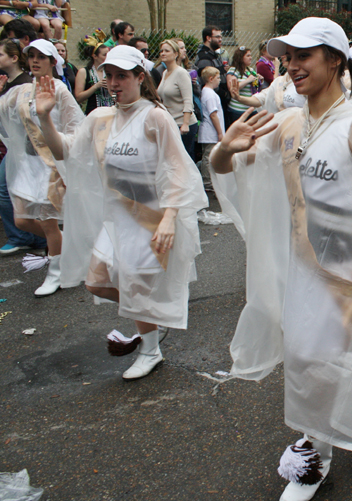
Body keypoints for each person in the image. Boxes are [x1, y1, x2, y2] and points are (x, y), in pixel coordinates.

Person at [209, 17, 352, 501]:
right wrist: (224, 150)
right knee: (315, 357)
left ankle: (313, 458)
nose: (292, 65)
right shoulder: (287, 123)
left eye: (303, 56)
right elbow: (228, 169)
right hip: (300, 268)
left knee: (320, 359)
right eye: (287, 57)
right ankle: (350, 429)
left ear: (335, 61)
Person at [34, 45, 207, 379]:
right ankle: (151, 323)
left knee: (136, 287)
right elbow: (66, 153)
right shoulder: (100, 119)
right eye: (108, 75)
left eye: (122, 76)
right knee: (96, 283)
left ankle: (150, 348)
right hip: (116, 218)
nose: (113, 83)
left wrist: (170, 217)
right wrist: (44, 117)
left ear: (140, 77)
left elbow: (178, 169)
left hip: (150, 219)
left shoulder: (154, 116)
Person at [0, 39, 83, 295]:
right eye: (32, 55)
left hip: (51, 165)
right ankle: (68, 243)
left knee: (47, 222)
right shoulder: (22, 90)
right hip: (29, 165)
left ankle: (57, 272)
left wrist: (65, 154)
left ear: (52, 61)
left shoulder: (59, 89)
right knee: (22, 219)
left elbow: (76, 127)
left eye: (41, 57)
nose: (35, 60)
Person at [0, 37, 45, 255]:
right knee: (16, 197)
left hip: (29, 150)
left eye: (1, 54)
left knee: (9, 192)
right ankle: (35, 237)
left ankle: (30, 238)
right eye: (33, 57)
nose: (35, 61)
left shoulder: (26, 84)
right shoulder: (9, 83)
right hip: (15, 147)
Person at [157, 39, 198, 159]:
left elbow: (188, 100)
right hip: (171, 122)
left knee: (183, 159)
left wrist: (185, 124)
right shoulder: (165, 73)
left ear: (175, 54)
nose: (163, 53)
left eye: (167, 51)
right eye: (161, 51)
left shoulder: (181, 73)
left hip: (183, 125)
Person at [195, 25, 230, 125]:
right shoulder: (204, 58)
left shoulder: (214, 55)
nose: (220, 40)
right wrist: (225, 94)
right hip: (214, 102)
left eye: (221, 37)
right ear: (208, 38)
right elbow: (207, 81)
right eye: (218, 37)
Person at [197, 66, 224, 193]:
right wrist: (220, 132)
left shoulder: (206, 92)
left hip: (209, 131)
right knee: (208, 157)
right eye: (218, 78)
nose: (219, 80)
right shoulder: (210, 95)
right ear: (211, 78)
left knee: (207, 155)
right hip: (210, 132)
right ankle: (207, 181)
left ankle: (208, 180)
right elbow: (213, 114)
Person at [74, 41, 112, 115]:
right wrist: (96, 86)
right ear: (95, 56)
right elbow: (78, 98)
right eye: (104, 55)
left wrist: (111, 88)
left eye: (109, 54)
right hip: (93, 114)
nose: (107, 57)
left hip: (111, 112)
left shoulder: (111, 71)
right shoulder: (84, 72)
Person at [226, 46, 260, 120]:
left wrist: (259, 80)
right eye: (248, 55)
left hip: (252, 109)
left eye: (250, 55)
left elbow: (255, 87)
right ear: (240, 58)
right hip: (238, 110)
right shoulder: (233, 70)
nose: (250, 57)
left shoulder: (250, 70)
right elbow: (231, 88)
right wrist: (247, 80)